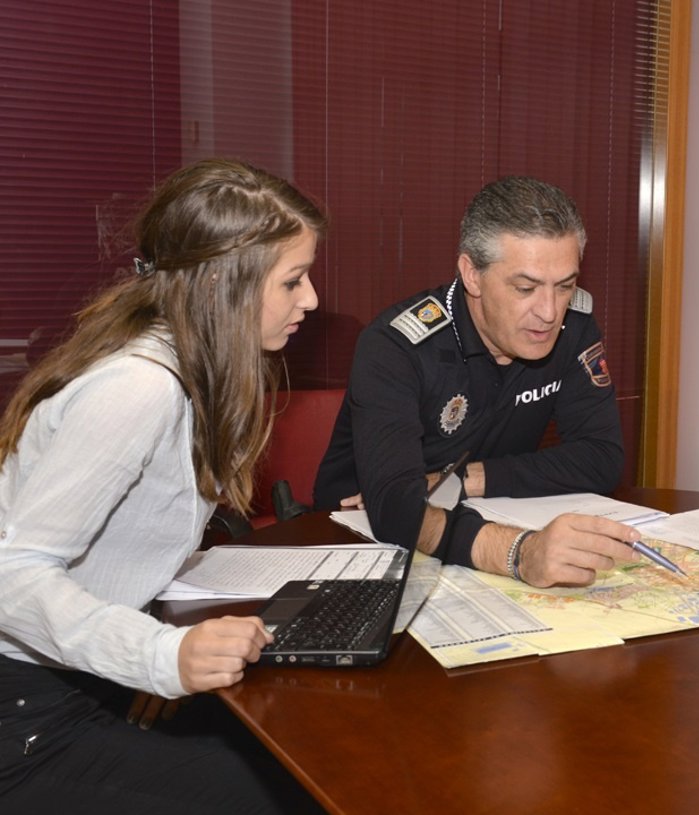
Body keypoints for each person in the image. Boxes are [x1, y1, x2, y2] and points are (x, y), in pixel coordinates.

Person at [0, 159, 325, 812]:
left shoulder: (189, 367)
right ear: (220, 283)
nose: (311, 298)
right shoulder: (139, 388)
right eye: (292, 280)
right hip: (29, 710)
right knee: (281, 794)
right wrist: (160, 656)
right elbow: (12, 576)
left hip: (85, 677)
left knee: (305, 744)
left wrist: (154, 654)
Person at [314, 176, 641, 587]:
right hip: (355, 546)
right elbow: (396, 508)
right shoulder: (396, 346)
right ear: (471, 274)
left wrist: (463, 480)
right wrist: (519, 553)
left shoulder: (572, 328)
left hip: (478, 525)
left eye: (565, 286)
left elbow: (601, 458)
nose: (549, 311)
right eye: (525, 287)